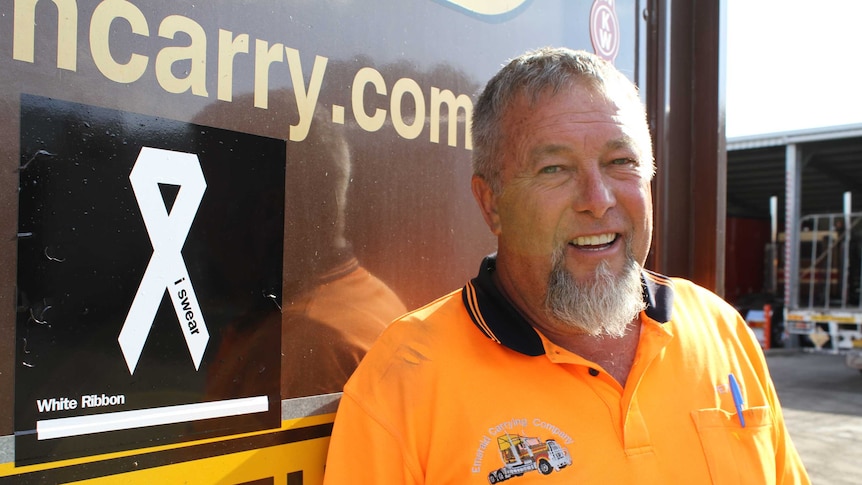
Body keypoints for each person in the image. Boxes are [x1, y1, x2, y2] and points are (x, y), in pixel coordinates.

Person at [322, 47, 810, 484]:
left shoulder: (720, 328)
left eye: (621, 161)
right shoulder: (405, 379)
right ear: (490, 202)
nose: (597, 201)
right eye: (554, 169)